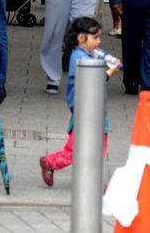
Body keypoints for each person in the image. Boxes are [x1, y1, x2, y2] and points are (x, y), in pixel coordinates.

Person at [39, 16, 119, 187]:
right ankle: (50, 162)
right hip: (85, 111)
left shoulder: (85, 54)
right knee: (77, 149)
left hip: (93, 109)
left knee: (97, 147)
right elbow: (94, 78)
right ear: (81, 38)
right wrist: (110, 71)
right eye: (95, 38)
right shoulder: (78, 57)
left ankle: (92, 179)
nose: (98, 42)